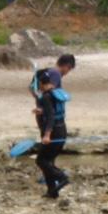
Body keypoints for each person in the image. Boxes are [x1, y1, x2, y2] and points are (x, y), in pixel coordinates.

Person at [31, 53, 76, 198]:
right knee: (47, 160)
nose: (40, 88)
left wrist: (46, 135)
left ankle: (62, 177)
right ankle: (52, 191)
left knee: (41, 160)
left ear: (43, 84)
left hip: (54, 131)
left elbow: (50, 117)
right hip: (61, 129)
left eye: (40, 85)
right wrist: (42, 110)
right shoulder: (55, 93)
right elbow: (51, 111)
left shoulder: (46, 96)